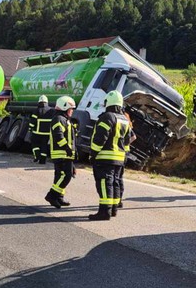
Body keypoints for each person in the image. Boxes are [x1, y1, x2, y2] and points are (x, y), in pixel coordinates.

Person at [87, 91, 134, 221]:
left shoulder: (107, 117)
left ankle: (104, 212)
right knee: (114, 183)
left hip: (105, 157)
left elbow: (100, 137)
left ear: (108, 102)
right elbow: (127, 140)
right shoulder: (124, 119)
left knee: (104, 183)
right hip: (119, 158)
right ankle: (113, 209)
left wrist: (93, 154)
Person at [44, 96, 76, 208]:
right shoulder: (59, 119)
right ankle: (51, 196)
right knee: (66, 176)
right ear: (64, 107)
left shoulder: (64, 119)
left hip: (65, 154)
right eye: (71, 109)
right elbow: (59, 136)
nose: (72, 111)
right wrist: (67, 148)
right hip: (61, 153)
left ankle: (59, 197)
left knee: (60, 176)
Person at [29, 95, 51, 164]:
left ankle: (37, 156)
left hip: (37, 132)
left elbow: (33, 121)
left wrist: (30, 128)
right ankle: (43, 161)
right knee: (44, 146)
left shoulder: (37, 110)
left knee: (34, 144)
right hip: (47, 133)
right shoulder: (51, 110)